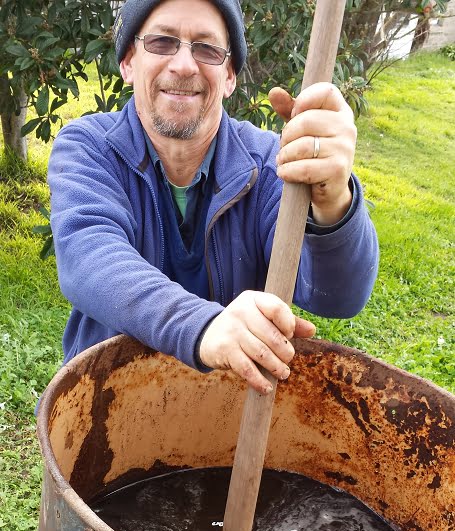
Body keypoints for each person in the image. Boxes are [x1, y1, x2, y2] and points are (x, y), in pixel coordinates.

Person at [48, 0, 379, 396]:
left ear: (230, 76)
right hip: (105, 409)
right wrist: (202, 325)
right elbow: (91, 259)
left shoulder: (272, 165)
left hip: (225, 416)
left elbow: (339, 296)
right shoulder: (87, 148)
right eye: (162, 42)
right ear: (128, 61)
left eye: (207, 48)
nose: (184, 65)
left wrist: (332, 200)